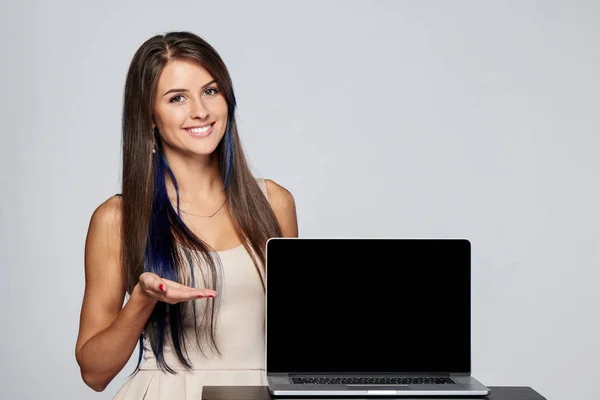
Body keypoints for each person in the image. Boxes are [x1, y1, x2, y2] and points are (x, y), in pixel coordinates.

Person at [75, 31, 298, 399]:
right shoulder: (118, 218)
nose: (201, 110)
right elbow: (95, 373)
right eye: (177, 98)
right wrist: (143, 300)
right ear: (149, 116)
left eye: (210, 91)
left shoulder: (273, 204)